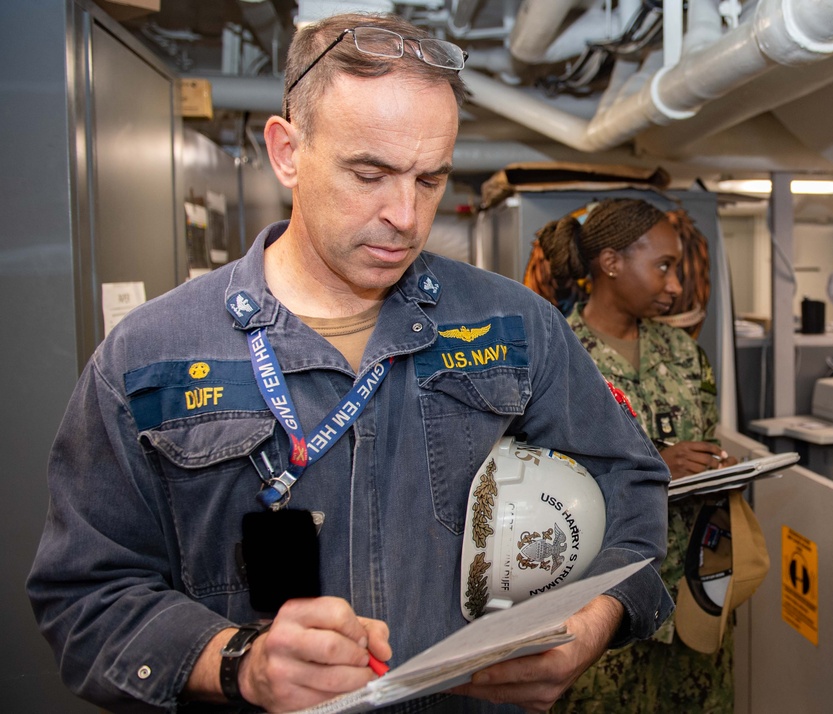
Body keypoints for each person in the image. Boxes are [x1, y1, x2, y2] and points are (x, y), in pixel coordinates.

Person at [27, 14, 672, 714]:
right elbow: (88, 596)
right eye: (370, 173)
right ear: (286, 152)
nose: (405, 214)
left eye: (431, 179)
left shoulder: (516, 328)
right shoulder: (151, 355)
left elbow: (629, 491)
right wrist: (238, 661)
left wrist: (592, 620)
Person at [533, 197, 742, 713]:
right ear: (611, 263)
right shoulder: (557, 356)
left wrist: (719, 469)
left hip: (692, 597)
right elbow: (532, 483)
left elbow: (705, 439)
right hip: (600, 609)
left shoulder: (683, 354)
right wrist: (654, 471)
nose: (675, 285)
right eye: (664, 267)